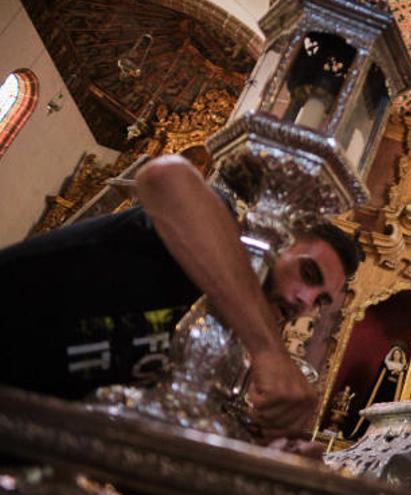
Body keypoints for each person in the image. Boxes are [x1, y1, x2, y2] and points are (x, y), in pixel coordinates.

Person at [0, 154, 360, 441]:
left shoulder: (217, 335)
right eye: (307, 273)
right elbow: (166, 178)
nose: (304, 301)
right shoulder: (214, 226)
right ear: (275, 239)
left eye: (320, 301)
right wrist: (270, 350)